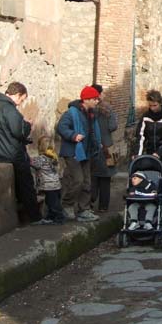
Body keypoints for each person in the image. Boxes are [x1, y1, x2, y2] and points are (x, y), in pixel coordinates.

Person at [0, 81, 43, 224]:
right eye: (22, 100)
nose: (20, 104)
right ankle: (34, 217)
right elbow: (18, 131)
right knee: (25, 186)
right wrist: (27, 125)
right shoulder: (9, 110)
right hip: (13, 154)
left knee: (8, 188)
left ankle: (15, 218)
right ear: (17, 95)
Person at [135, 89, 162, 236]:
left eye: (155, 105)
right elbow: (141, 137)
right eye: (150, 105)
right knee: (149, 189)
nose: (153, 108)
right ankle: (149, 220)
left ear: (160, 103)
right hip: (150, 159)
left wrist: (160, 152)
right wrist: (138, 156)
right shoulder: (146, 118)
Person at [56, 86, 101, 223]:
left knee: (87, 182)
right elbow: (61, 127)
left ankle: (84, 210)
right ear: (86, 100)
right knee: (78, 180)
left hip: (86, 152)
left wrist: (97, 142)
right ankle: (67, 205)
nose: (97, 101)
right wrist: (73, 135)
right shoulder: (71, 113)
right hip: (73, 151)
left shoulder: (91, 113)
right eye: (94, 99)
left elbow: (92, 130)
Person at [89, 84, 118, 213]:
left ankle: (90, 202)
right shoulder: (108, 108)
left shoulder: (89, 108)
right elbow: (113, 126)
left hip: (92, 145)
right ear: (100, 94)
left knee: (93, 176)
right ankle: (103, 206)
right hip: (107, 146)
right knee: (105, 178)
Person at [29, 136, 65, 225]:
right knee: (51, 202)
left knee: (53, 204)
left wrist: (28, 159)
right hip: (56, 184)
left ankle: (59, 218)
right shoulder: (53, 157)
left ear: (40, 146)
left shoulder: (41, 158)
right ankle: (50, 217)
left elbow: (34, 164)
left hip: (48, 186)